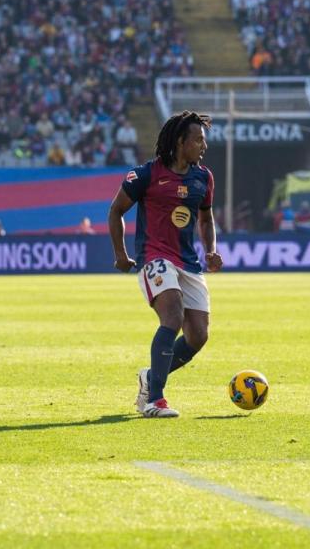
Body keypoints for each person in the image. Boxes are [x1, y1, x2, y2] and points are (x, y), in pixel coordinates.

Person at [108, 110, 223, 418]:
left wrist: (210, 249)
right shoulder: (145, 175)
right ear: (179, 142)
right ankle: (153, 400)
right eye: (198, 139)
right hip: (154, 257)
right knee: (172, 315)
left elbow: (206, 216)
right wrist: (120, 253)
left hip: (188, 262)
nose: (204, 146)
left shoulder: (203, 177)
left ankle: (151, 377)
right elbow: (116, 211)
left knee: (198, 335)